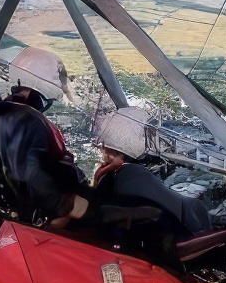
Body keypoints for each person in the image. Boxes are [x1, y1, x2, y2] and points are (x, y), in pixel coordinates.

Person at [0, 47, 89, 227]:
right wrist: (63, 205)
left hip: (8, 209)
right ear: (36, 90)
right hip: (39, 213)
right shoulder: (28, 119)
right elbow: (32, 172)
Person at [89, 108, 210, 266]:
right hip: (183, 232)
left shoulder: (120, 175)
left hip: (181, 235)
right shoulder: (128, 174)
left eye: (104, 148)